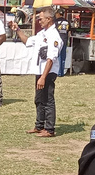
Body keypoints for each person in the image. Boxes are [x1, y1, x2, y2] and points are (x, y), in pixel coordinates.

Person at [11, 8, 62, 137]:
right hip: (40, 71)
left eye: (41, 18)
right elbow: (27, 41)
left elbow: (51, 59)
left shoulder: (54, 36)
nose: (39, 21)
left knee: (48, 99)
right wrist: (17, 30)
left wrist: (43, 77)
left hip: (48, 72)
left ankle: (49, 129)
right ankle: (39, 125)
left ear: (49, 19)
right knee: (39, 99)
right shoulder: (41, 34)